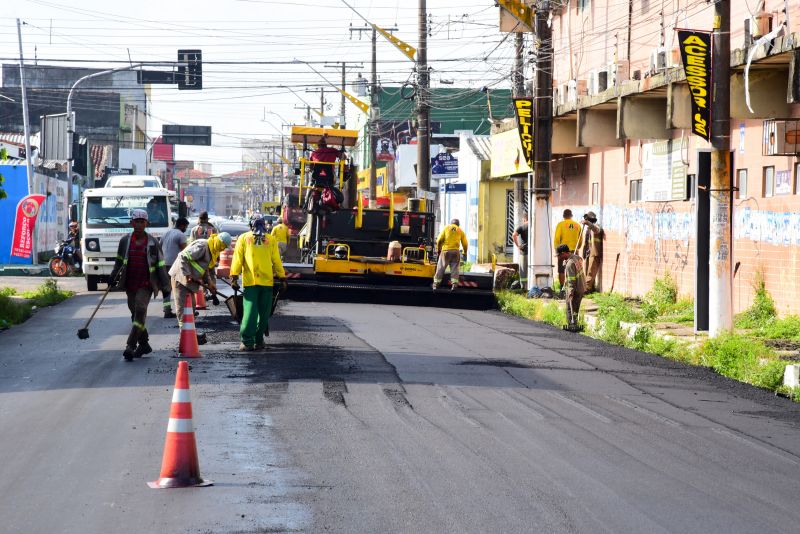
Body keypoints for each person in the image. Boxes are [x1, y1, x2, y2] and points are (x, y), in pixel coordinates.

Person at [109, 209, 170, 362]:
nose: (139, 224)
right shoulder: (124, 241)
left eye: (142, 222)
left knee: (141, 310)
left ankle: (130, 345)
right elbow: (118, 261)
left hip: (146, 284)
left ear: (146, 223)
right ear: (131, 223)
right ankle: (144, 344)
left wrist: (165, 285)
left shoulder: (152, 242)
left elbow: (161, 264)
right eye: (136, 221)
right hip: (130, 284)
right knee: (135, 315)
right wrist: (112, 276)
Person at [230, 217, 287, 351]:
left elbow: (238, 259)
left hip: (251, 282)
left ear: (251, 226)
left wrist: (234, 277)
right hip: (267, 282)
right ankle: (258, 340)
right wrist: (282, 277)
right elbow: (276, 260)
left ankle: (247, 342)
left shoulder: (244, 238)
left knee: (250, 313)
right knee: (263, 313)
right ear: (265, 226)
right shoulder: (270, 240)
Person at [168, 232, 232, 338]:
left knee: (191, 308)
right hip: (180, 277)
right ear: (219, 242)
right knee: (183, 309)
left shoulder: (212, 250)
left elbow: (203, 268)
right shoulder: (203, 246)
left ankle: (190, 335)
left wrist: (210, 283)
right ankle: (185, 337)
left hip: (189, 281)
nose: (223, 249)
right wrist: (188, 274)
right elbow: (183, 256)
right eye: (223, 246)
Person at [159, 217, 189, 318]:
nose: (186, 229)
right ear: (182, 226)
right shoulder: (180, 235)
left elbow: (159, 247)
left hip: (163, 264)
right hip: (174, 265)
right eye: (185, 227)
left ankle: (167, 310)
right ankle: (184, 310)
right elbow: (185, 252)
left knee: (166, 288)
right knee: (179, 287)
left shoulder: (166, 233)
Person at [433, 218, 468, 291]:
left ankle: (436, 285)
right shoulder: (460, 230)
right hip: (455, 252)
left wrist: (438, 249)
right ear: (458, 224)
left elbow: (439, 240)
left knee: (441, 267)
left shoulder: (446, 228)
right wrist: (465, 252)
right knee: (455, 268)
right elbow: (465, 243)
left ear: (451, 223)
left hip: (445, 251)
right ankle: (454, 285)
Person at [556, 244, 585, 331]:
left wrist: (570, 293)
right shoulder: (576, 258)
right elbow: (580, 259)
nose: (559, 257)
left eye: (559, 255)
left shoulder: (569, 264)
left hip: (574, 289)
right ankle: (575, 323)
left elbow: (571, 280)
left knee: (570, 307)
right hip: (581, 287)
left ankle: (571, 325)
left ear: (564, 253)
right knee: (576, 308)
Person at [553, 209, 581, 289]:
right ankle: (575, 287)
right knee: (575, 270)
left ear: (563, 216)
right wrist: (577, 248)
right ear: (571, 216)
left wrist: (557, 251)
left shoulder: (560, 225)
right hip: (574, 251)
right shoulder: (577, 225)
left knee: (561, 269)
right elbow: (580, 240)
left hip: (562, 252)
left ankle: (562, 287)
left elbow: (557, 239)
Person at [580, 211, 604, 293]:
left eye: (588, 219)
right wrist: (584, 250)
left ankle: (586, 289)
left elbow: (596, 230)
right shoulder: (588, 229)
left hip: (595, 253)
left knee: (591, 271)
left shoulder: (596, 226)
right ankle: (590, 288)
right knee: (586, 271)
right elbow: (587, 241)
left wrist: (588, 224)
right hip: (588, 252)